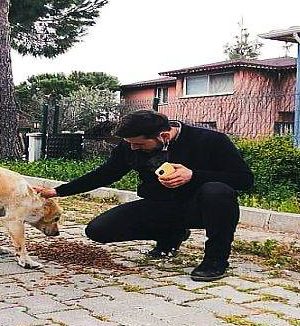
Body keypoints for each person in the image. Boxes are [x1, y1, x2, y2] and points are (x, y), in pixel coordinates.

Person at [33, 110, 253, 281]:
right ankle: (171, 236)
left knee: (217, 191)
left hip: (200, 208)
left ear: (163, 136)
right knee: (98, 230)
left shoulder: (210, 140)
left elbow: (244, 179)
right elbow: (105, 174)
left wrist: (193, 175)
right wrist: (57, 191)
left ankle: (216, 260)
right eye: (130, 144)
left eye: (139, 144)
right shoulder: (130, 146)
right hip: (160, 206)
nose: (134, 149)